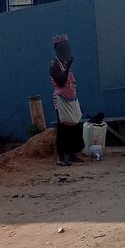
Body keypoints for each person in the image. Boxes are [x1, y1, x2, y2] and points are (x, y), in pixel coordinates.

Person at [50, 34, 85, 167]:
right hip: (61, 101)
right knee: (63, 128)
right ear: (57, 49)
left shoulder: (63, 63)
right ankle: (61, 157)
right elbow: (61, 81)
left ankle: (71, 153)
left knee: (74, 126)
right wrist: (69, 66)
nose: (66, 50)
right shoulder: (54, 65)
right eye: (63, 47)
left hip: (71, 99)